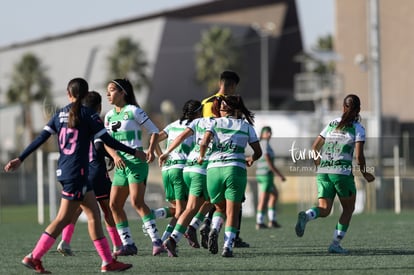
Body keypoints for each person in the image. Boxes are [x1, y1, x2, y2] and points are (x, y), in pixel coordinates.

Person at [4, 78, 137, 273]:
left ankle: (108, 261)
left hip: (67, 172)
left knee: (93, 214)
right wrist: (134, 152)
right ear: (85, 95)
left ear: (68, 94)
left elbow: (40, 138)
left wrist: (20, 158)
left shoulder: (59, 114)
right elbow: (108, 139)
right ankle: (34, 256)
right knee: (63, 218)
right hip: (78, 174)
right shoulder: (88, 114)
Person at [295, 94, 375, 254]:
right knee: (348, 208)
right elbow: (359, 156)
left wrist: (320, 167)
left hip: (324, 171)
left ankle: (307, 215)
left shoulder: (331, 124)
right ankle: (335, 244)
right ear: (359, 110)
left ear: (343, 108)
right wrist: (365, 173)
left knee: (324, 209)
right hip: (341, 173)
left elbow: (314, 148)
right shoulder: (358, 128)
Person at [56, 91, 123, 256]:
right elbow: (102, 143)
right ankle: (118, 245)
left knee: (76, 208)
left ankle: (65, 241)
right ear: (99, 107)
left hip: (79, 172)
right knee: (108, 209)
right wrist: (112, 156)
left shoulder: (76, 121)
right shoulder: (95, 121)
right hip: (97, 172)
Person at [104, 78, 164, 257]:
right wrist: (114, 156)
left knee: (137, 202)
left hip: (136, 163)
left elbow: (154, 131)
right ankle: (128, 244)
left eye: (112, 90)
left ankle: (157, 241)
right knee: (114, 205)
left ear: (123, 93)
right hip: (120, 165)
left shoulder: (133, 111)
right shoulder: (108, 116)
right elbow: (105, 141)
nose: (108, 94)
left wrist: (151, 151)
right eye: (107, 90)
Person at [198, 95, 262, 257]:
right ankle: (227, 247)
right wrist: (251, 159)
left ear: (223, 109)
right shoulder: (246, 126)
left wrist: (201, 156)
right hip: (235, 169)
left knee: (219, 207)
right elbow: (258, 152)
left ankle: (215, 228)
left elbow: (204, 142)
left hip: (213, 170)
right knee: (232, 211)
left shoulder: (214, 122)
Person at [199, 70, 250, 248]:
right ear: (233, 85)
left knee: (214, 199)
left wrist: (200, 154)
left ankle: (206, 223)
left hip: (206, 157)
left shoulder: (205, 102)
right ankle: (232, 238)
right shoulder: (232, 104)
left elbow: (199, 129)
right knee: (234, 201)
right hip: (229, 158)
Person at [159, 100, 215, 257]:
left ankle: (185, 230)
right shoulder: (213, 122)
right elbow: (204, 142)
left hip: (181, 169)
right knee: (189, 208)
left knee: (205, 201)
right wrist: (203, 155)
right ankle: (171, 238)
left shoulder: (192, 123)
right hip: (194, 168)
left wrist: (164, 152)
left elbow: (170, 137)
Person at [155, 100, 202, 241]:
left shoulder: (173, 124)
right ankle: (163, 241)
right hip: (180, 169)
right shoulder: (196, 127)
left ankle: (153, 215)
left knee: (178, 209)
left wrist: (160, 156)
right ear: (198, 112)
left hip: (167, 169)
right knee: (185, 209)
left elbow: (154, 138)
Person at [255, 126, 286, 229]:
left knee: (274, 195)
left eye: (270, 132)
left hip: (266, 175)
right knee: (263, 199)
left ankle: (272, 220)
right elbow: (268, 161)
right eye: (267, 132)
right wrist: (279, 174)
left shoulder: (266, 144)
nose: (269, 134)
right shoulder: (264, 143)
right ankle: (259, 222)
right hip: (265, 175)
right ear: (262, 134)